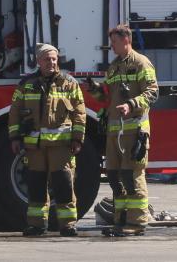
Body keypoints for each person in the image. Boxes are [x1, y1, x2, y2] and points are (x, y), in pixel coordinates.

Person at [8, 43, 86, 236]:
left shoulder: (69, 83)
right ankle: (36, 224)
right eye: (47, 59)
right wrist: (15, 137)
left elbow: (79, 113)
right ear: (38, 61)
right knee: (35, 186)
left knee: (64, 185)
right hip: (35, 147)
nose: (51, 62)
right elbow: (15, 113)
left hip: (61, 146)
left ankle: (67, 224)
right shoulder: (26, 84)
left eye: (54, 58)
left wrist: (78, 139)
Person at [88, 24, 158, 237]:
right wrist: (95, 89)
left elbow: (153, 92)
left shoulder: (141, 63)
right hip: (114, 132)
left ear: (126, 40)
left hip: (134, 131)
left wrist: (131, 105)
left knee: (131, 175)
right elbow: (108, 97)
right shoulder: (114, 66)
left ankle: (137, 223)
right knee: (114, 176)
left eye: (115, 42)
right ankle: (120, 220)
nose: (112, 47)